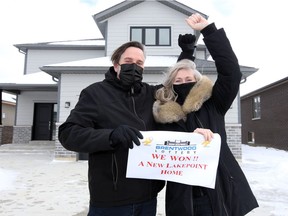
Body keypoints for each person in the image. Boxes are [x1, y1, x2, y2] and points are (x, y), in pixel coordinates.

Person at [58, 39, 192, 215]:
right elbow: (68, 133)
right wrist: (110, 136)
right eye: (128, 62)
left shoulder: (151, 94)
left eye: (139, 63)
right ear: (116, 65)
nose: (134, 67)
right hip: (111, 201)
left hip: (148, 198)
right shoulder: (95, 94)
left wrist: (187, 55)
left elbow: (179, 84)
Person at [153, 13, 259, 216]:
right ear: (170, 86)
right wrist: (186, 53)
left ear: (198, 81)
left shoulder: (214, 104)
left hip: (219, 188)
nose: (184, 82)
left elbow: (231, 73)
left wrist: (209, 31)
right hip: (182, 193)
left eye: (189, 79)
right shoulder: (164, 114)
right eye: (178, 81)